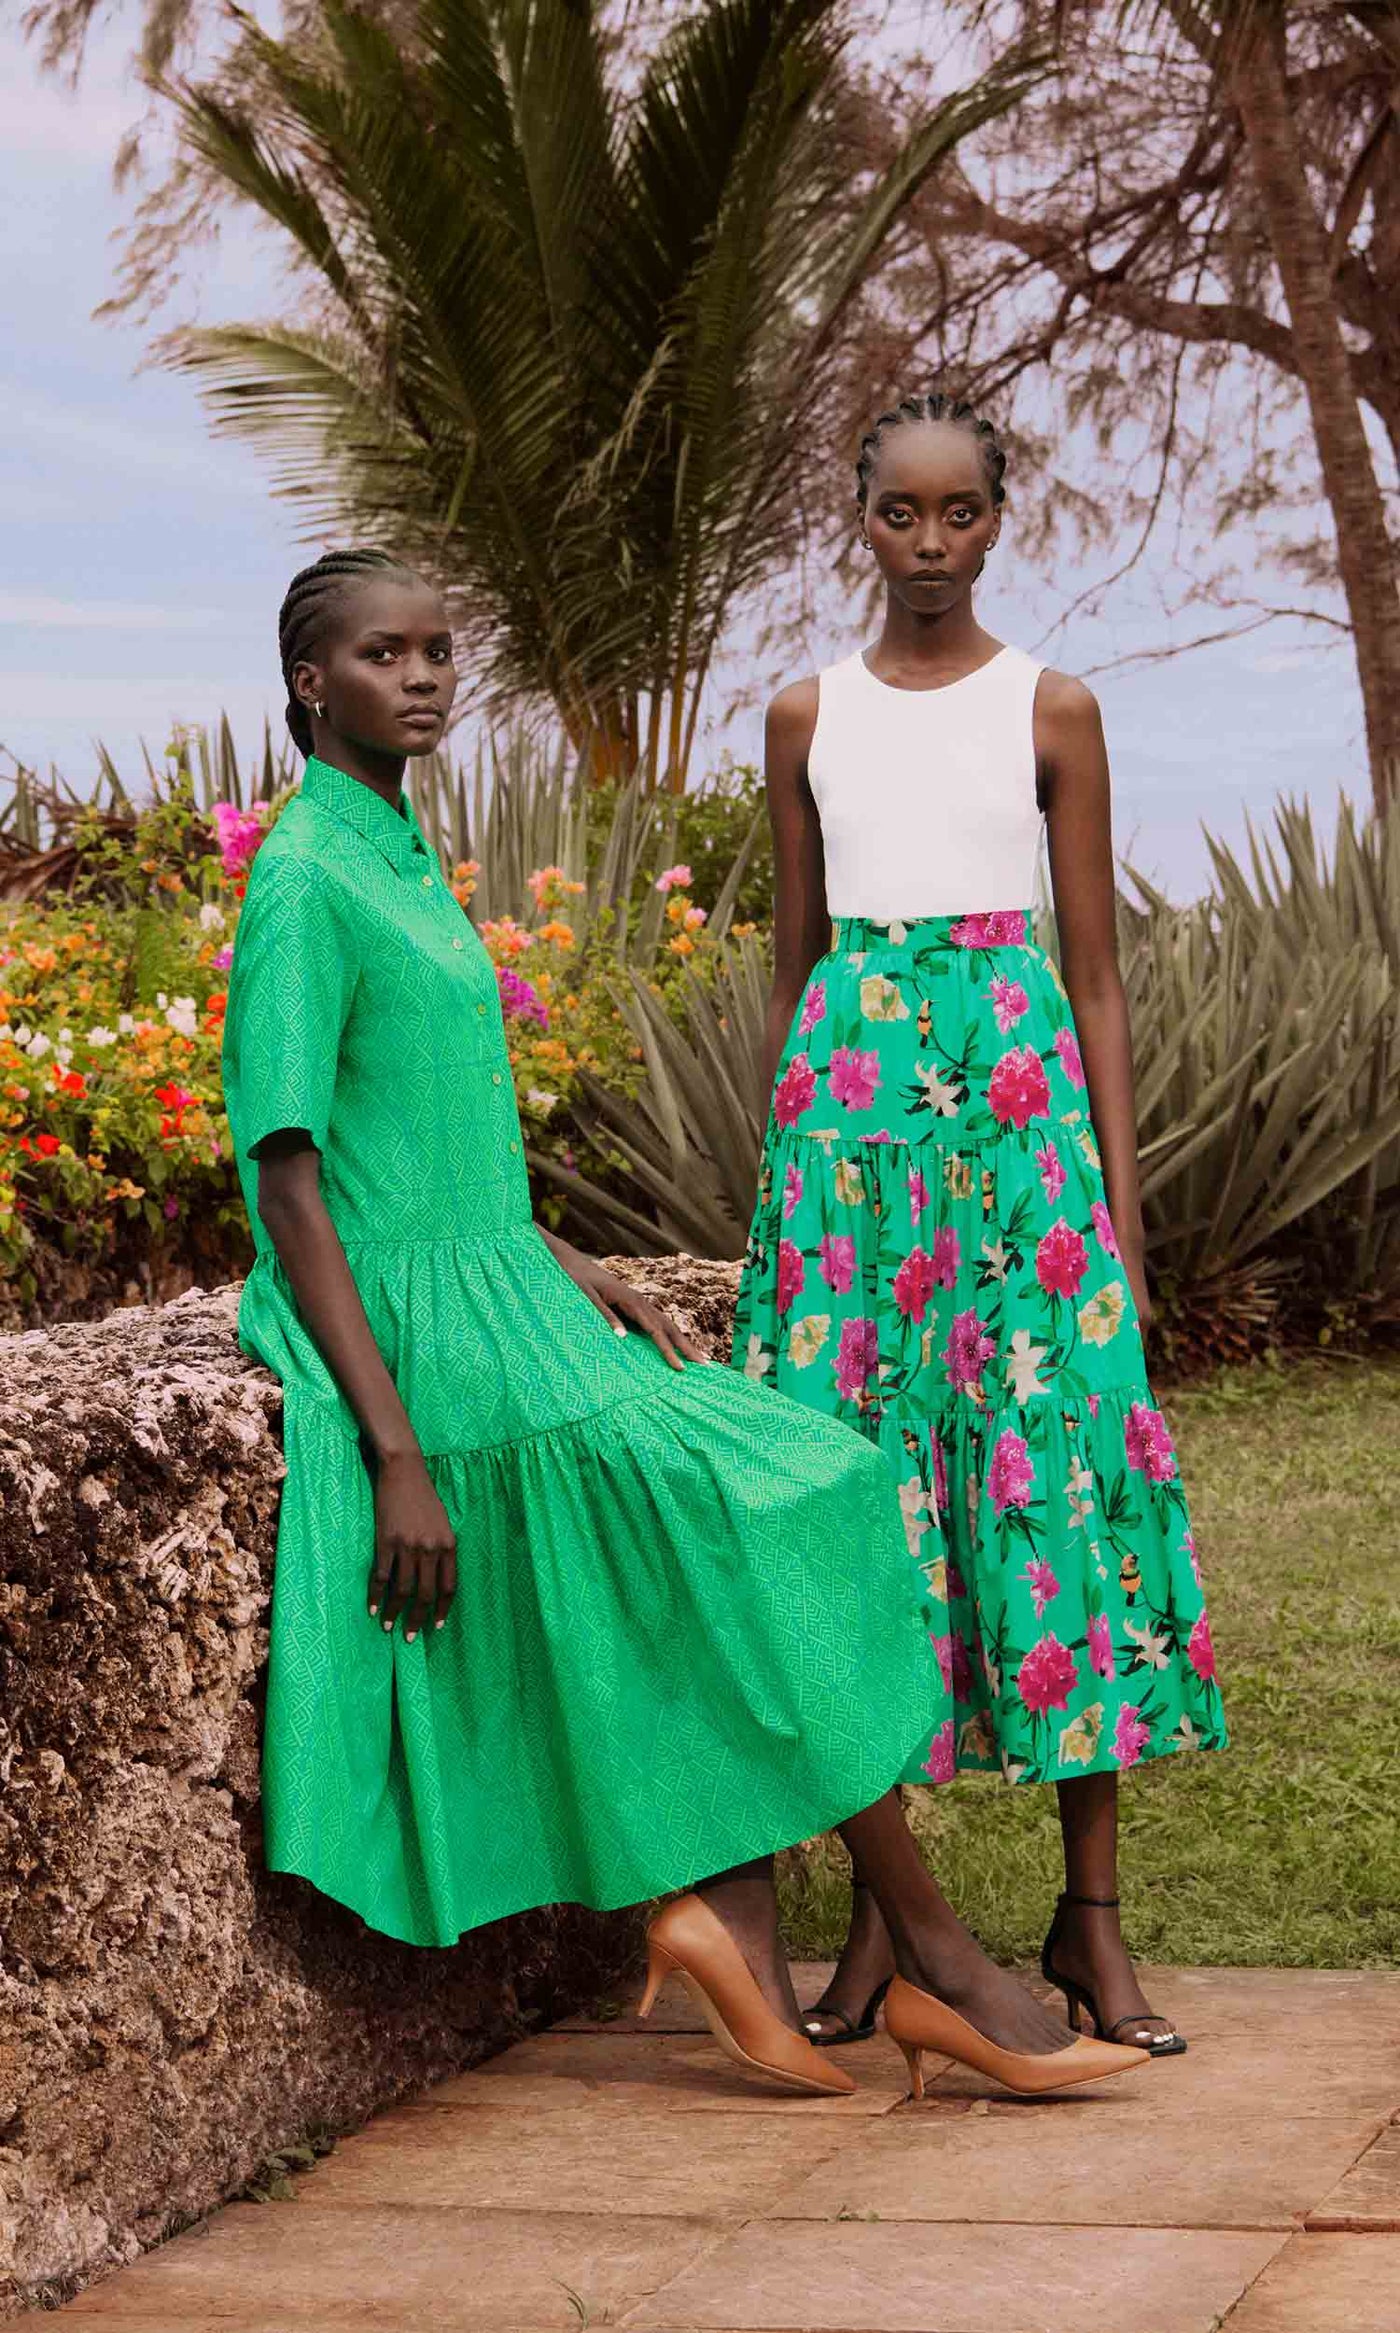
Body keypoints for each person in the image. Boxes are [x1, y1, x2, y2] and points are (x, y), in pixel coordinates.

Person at [220, 546, 1148, 2104]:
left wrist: (551, 1247)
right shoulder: (303, 870)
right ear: (313, 681)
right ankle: (933, 1952)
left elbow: (424, 1120)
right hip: (413, 1328)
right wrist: (391, 1447)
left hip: (503, 1278)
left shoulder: (395, 842)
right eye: (390, 654)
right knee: (739, 1508)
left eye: (444, 648)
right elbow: (291, 1169)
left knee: (801, 1485)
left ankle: (736, 1914)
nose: (430, 675)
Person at [734, 395, 1227, 2059]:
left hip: (1020, 1142)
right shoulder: (804, 715)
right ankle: (888, 1918)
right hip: (851, 1152)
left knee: (1063, 1484)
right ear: (856, 517)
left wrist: (1125, 1223)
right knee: (864, 1503)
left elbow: (1094, 974)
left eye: (959, 516)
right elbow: (798, 969)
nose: (930, 546)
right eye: (900, 516)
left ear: (999, 522)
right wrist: (790, 1196)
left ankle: (1091, 1918)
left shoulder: (1054, 708)